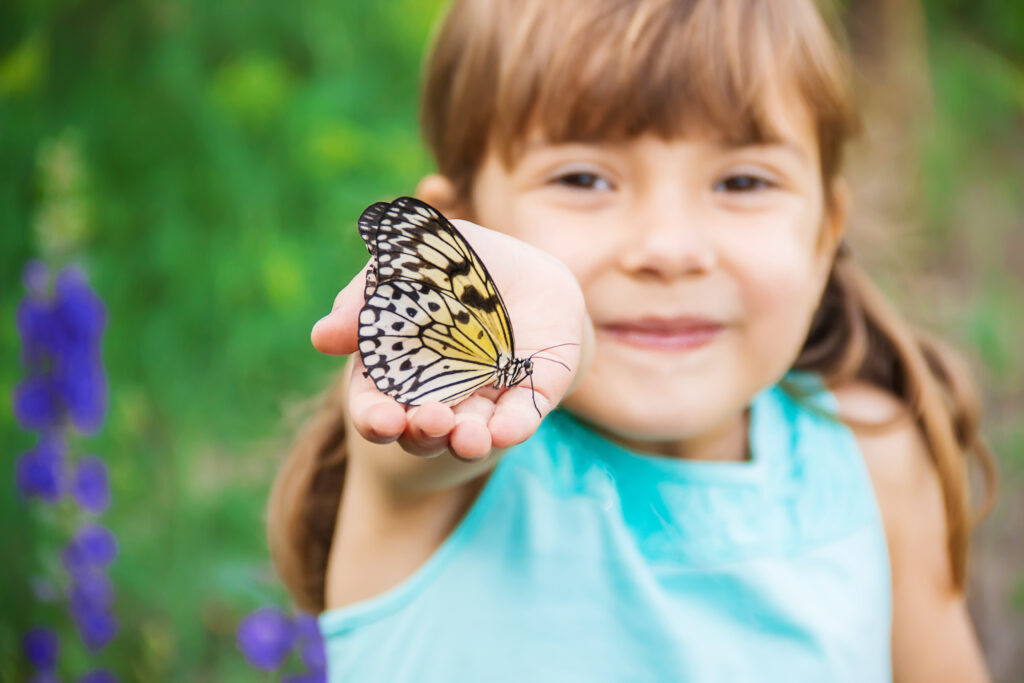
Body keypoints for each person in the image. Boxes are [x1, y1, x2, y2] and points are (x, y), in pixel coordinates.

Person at [268, 0, 996, 680]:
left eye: (742, 181)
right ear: (466, 227)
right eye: (584, 178)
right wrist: (560, 329)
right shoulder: (446, 463)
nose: (669, 247)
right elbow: (495, 388)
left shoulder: (877, 461)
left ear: (823, 236)